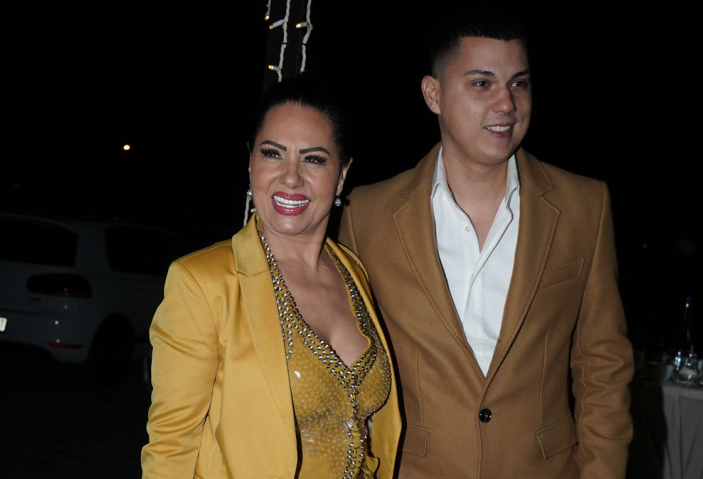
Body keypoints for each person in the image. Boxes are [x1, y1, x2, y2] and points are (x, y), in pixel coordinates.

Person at [337, 7, 634, 478]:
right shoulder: (366, 215)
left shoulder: (585, 206)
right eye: (482, 83)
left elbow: (604, 367)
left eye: (519, 84)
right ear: (433, 94)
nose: (507, 104)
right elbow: (350, 373)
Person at [141, 73, 401, 478]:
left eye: (313, 159)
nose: (291, 177)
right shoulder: (202, 282)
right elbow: (170, 447)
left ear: (342, 175)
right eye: (273, 154)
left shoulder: (353, 271)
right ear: (251, 163)